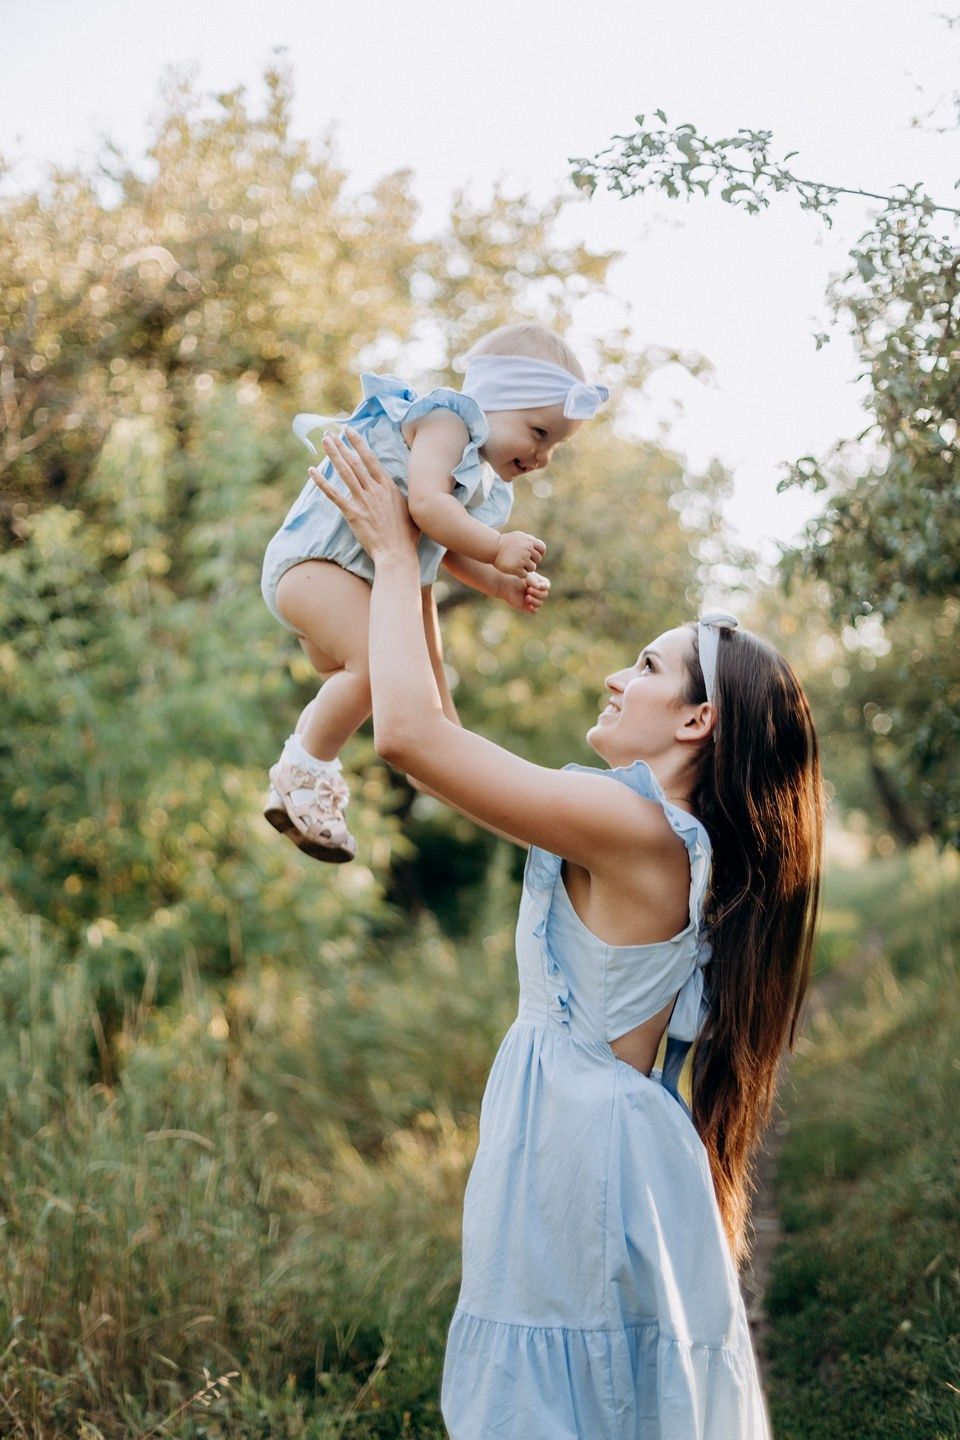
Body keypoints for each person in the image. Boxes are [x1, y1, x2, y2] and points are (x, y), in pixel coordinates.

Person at [314, 425, 824, 1440]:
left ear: (696, 722)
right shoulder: (642, 826)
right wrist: (417, 565)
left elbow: (410, 739)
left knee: (563, 1409)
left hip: (586, 1154)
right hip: (595, 1142)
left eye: (645, 666)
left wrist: (389, 551)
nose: (615, 677)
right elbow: (445, 734)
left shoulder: (637, 829)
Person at [260, 322, 609, 862]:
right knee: (376, 670)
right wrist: (497, 548)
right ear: (493, 401)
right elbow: (425, 507)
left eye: (556, 446)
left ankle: (298, 787)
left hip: (352, 583)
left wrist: (499, 583)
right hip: (319, 564)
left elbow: (443, 549)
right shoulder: (447, 421)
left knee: (359, 682)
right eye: (539, 433)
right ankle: (302, 773)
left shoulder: (475, 481)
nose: (543, 456)